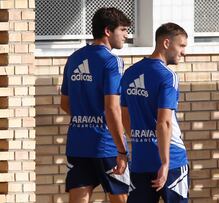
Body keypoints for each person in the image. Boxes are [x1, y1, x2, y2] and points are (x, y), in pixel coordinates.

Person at [60, 7, 131, 203]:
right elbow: (112, 108)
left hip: (77, 144)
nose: (126, 35)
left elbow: (64, 103)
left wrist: (86, 116)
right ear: (108, 31)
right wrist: (122, 150)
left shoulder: (74, 58)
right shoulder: (112, 61)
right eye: (123, 30)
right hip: (106, 145)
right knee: (121, 198)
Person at [120, 22, 189, 203]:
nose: (184, 52)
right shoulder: (167, 75)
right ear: (166, 43)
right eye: (181, 46)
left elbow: (124, 114)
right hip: (171, 159)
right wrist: (165, 163)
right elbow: (164, 122)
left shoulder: (130, 73)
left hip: (141, 159)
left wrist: (139, 138)